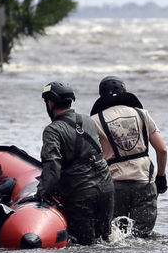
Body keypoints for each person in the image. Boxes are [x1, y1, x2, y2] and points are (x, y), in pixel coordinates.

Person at [34, 81, 115, 243]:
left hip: (81, 193)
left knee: (84, 244)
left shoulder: (53, 130)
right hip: (107, 187)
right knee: (106, 240)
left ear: (50, 103)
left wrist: (41, 194)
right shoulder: (88, 121)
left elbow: (52, 166)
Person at [89, 76, 168, 237]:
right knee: (142, 236)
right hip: (144, 181)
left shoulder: (95, 120)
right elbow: (162, 150)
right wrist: (161, 177)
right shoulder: (142, 114)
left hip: (114, 183)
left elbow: (91, 157)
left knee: (116, 236)